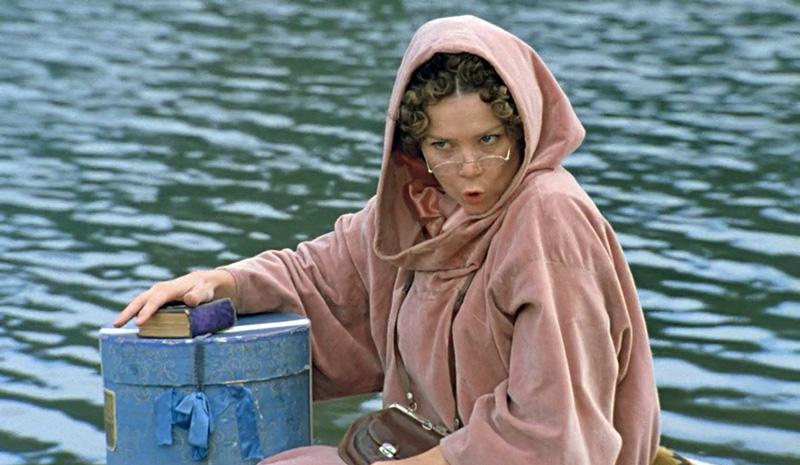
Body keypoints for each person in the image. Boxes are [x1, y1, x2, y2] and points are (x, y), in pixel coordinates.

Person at [115, 15, 660, 465]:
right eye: (444, 146)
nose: (470, 168)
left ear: (521, 129)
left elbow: (553, 433)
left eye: (488, 139)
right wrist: (219, 282)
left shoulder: (549, 219)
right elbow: (320, 278)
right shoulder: (420, 209)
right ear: (416, 147)